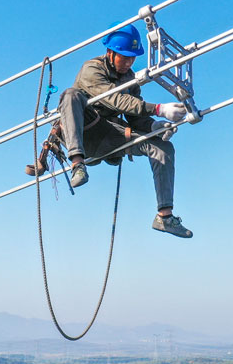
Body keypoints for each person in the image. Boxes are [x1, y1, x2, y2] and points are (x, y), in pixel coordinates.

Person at [57, 23, 193, 238]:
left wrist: (153, 126)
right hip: (83, 131)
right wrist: (158, 109)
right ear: (110, 53)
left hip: (109, 135)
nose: (129, 62)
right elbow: (115, 99)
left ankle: (165, 217)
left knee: (163, 147)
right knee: (71, 95)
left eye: (132, 57)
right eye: (124, 56)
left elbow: (134, 115)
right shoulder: (92, 69)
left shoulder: (130, 79)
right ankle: (77, 164)